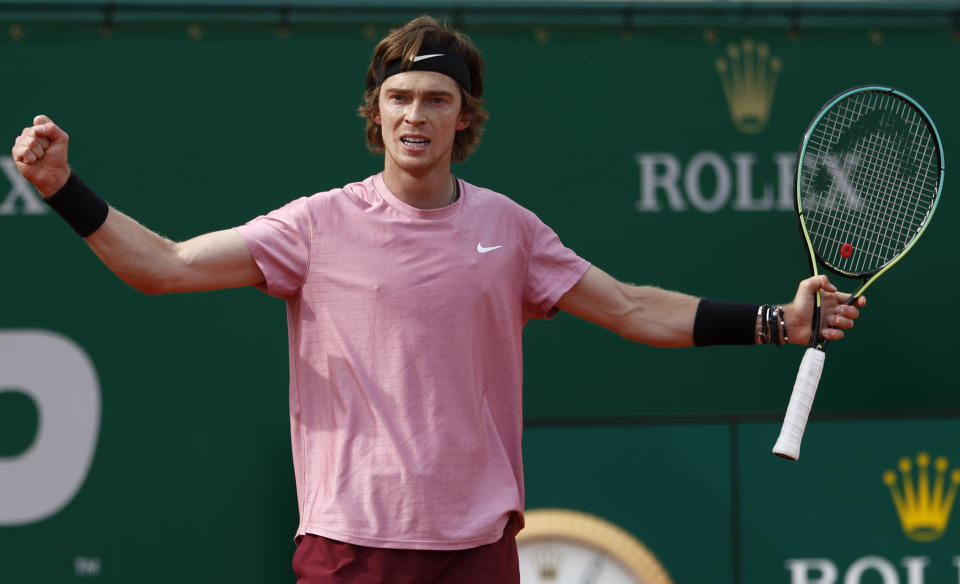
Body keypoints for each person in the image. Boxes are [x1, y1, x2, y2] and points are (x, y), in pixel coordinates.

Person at [12, 15, 864, 584]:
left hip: (476, 552)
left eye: (436, 100)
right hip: (350, 545)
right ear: (377, 117)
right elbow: (159, 265)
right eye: (400, 99)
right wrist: (62, 188)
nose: (416, 115)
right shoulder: (314, 225)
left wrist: (777, 324)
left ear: (465, 119)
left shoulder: (512, 231)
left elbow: (635, 309)